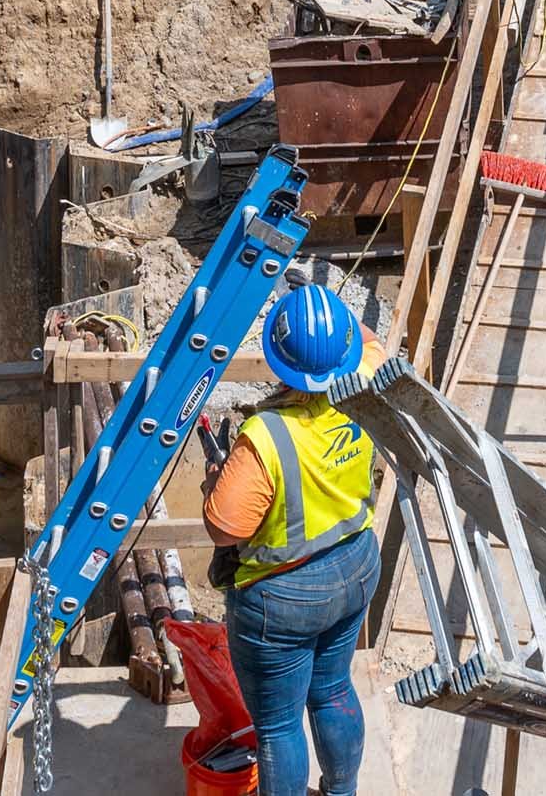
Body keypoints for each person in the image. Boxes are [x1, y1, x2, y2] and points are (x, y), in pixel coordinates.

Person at [205, 284, 381, 796]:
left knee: (279, 727)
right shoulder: (367, 384)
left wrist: (218, 479)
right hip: (355, 564)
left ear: (279, 362)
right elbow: (367, 341)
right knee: (332, 690)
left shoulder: (265, 435)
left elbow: (225, 527)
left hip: (284, 596)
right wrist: (326, 319)